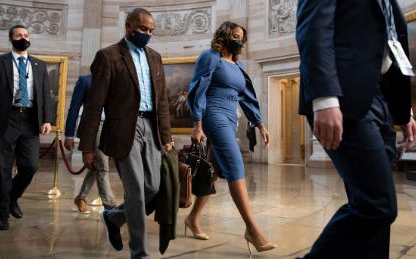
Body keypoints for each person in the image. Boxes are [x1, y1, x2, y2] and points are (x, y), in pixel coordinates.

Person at [295, 0, 416, 258]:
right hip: (343, 95)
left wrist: (403, 110)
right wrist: (325, 97)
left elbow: (391, 39)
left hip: (381, 97)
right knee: (377, 206)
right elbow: (314, 29)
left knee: (373, 211)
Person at [77, 8, 172, 258]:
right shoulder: (107, 56)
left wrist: (168, 137)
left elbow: (162, 100)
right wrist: (87, 146)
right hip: (123, 130)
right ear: (129, 26)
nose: (147, 34)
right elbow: (95, 104)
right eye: (143, 29)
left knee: (152, 187)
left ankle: (114, 216)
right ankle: (139, 253)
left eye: (151, 31)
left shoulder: (156, 57)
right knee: (137, 193)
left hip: (152, 127)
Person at [186, 21, 277, 254]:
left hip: (231, 118)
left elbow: (246, 96)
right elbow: (197, 91)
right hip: (213, 115)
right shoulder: (210, 57)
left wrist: (260, 124)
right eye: (235, 36)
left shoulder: (237, 65)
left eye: (241, 38)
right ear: (224, 36)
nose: (238, 40)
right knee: (236, 165)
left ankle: (193, 218)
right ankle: (252, 230)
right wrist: (197, 124)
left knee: (214, 171)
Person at [0, 24, 53, 230]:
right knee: (2, 170)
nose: (23, 38)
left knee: (31, 165)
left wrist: (47, 119)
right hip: (5, 120)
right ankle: (2, 215)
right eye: (19, 35)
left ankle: (12, 198)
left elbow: (45, 95)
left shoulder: (39, 65)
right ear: (11, 39)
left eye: (26, 35)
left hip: (30, 121)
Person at [64, 75, 116, 213]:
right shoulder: (86, 81)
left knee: (96, 165)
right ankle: (110, 206)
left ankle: (81, 197)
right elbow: (74, 108)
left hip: (112, 126)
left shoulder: (117, 79)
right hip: (94, 126)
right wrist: (69, 134)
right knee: (103, 166)